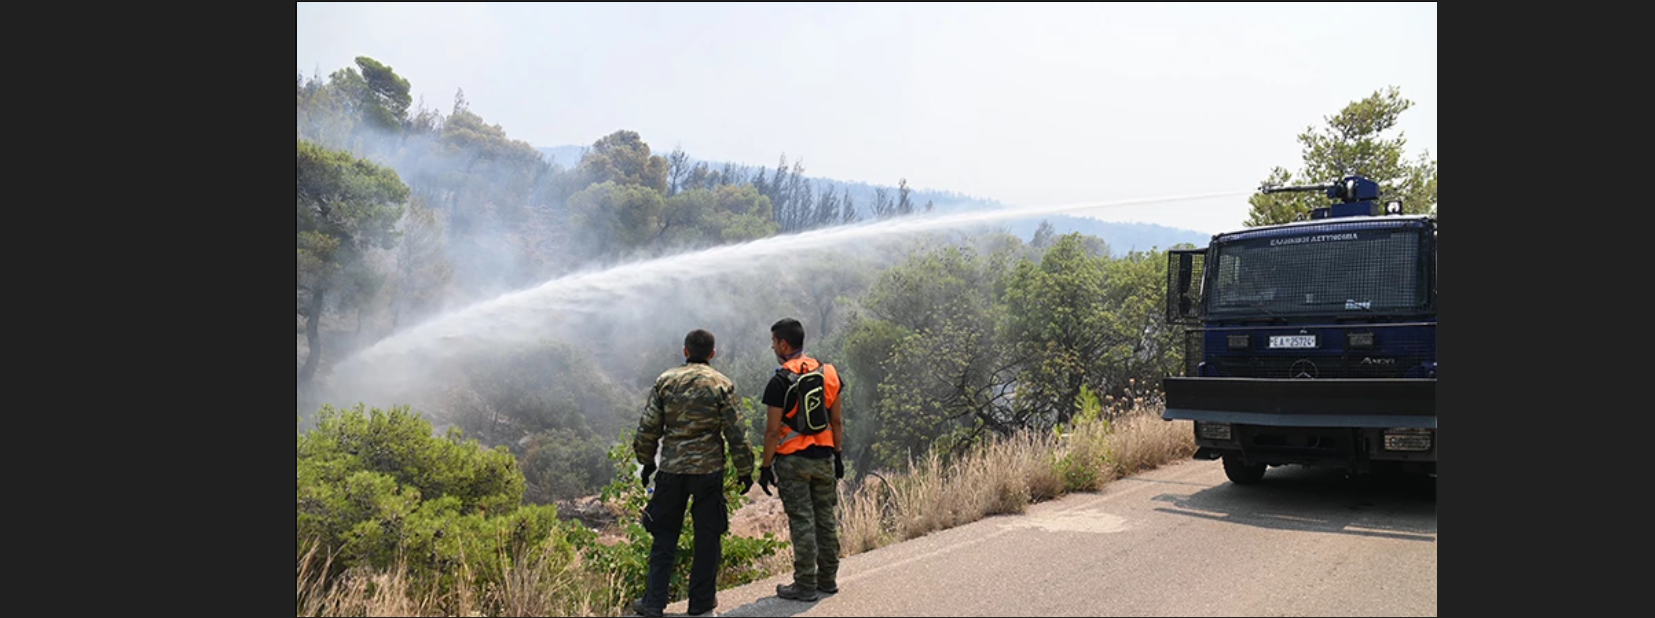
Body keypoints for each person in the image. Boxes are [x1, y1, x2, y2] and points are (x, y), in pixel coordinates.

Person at [632, 329, 756, 617]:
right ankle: (700, 602)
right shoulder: (722, 384)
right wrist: (745, 470)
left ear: (685, 351)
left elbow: (648, 427)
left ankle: (653, 603)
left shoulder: (665, 381)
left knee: (664, 535)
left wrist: (647, 462)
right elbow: (736, 432)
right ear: (712, 353)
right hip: (708, 472)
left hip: (672, 471)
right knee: (707, 537)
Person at [757, 318, 846, 602]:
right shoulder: (829, 373)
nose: (773, 347)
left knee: (803, 522)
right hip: (824, 458)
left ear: (783, 344)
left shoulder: (780, 380)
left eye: (773, 342)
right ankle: (828, 580)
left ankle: (805, 585)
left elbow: (772, 432)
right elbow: (837, 421)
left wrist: (765, 467)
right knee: (825, 519)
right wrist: (838, 455)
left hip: (792, 462)